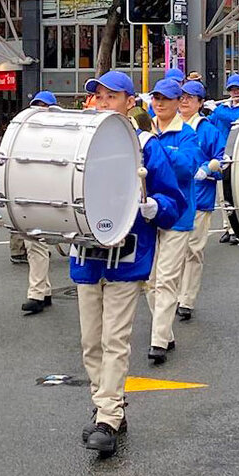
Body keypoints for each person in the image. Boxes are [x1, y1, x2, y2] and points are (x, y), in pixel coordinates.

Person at [73, 70, 185, 456]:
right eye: (98, 97)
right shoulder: (79, 145)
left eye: (110, 97)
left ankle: (106, 416)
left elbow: (173, 202)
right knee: (90, 342)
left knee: (114, 338)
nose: (102, 103)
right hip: (87, 256)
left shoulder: (146, 147)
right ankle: (109, 404)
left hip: (127, 255)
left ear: (129, 102)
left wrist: (156, 208)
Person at [144, 78, 202, 364]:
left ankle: (158, 341)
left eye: (166, 98)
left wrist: (155, 151)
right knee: (150, 280)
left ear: (179, 101)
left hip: (178, 215)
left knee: (167, 279)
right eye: (156, 97)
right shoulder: (143, 130)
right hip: (147, 214)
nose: (160, 103)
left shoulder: (188, 134)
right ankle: (165, 332)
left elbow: (187, 166)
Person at [176, 80, 224, 322]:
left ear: (200, 103)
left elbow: (223, 160)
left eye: (190, 97)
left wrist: (208, 169)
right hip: (172, 199)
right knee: (172, 251)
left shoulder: (209, 130)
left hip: (199, 198)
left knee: (193, 251)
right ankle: (171, 293)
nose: (184, 101)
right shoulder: (169, 126)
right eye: (182, 96)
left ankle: (187, 299)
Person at [21, 91, 59, 314]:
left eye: (45, 106)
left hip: (53, 193)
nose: (39, 110)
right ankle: (40, 292)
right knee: (34, 243)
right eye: (37, 106)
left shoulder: (61, 133)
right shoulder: (25, 132)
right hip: (30, 192)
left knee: (37, 243)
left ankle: (40, 291)